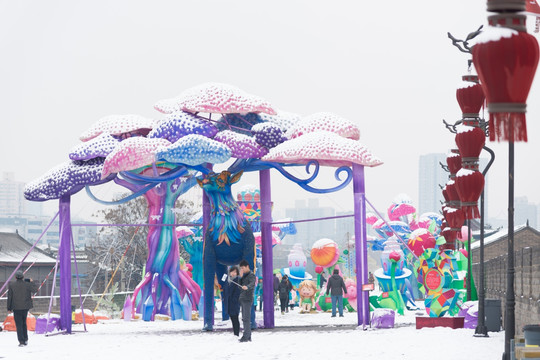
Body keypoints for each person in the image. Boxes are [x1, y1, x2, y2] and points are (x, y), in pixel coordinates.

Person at [7, 270, 37, 347]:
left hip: (16, 308)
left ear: (15, 277)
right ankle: (26, 339)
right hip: (25, 308)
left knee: (19, 325)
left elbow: (10, 297)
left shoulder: (12, 285)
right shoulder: (27, 284)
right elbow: (35, 290)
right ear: (23, 277)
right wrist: (32, 282)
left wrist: (9, 308)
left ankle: (21, 341)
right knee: (24, 323)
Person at [238, 260, 256, 342]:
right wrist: (240, 277)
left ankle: (246, 335)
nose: (242, 270)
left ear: (247, 266)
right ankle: (248, 336)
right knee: (244, 318)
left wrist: (247, 287)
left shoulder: (251, 275)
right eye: (241, 268)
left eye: (243, 268)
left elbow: (252, 284)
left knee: (246, 318)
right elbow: (239, 286)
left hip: (247, 298)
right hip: (243, 298)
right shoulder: (244, 276)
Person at [227, 266, 241, 336]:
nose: (233, 273)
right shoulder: (228, 280)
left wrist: (234, 300)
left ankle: (236, 333)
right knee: (232, 318)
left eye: (235, 272)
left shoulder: (237, 280)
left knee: (235, 318)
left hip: (234, 302)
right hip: (229, 302)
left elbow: (237, 292)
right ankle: (235, 333)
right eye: (232, 271)